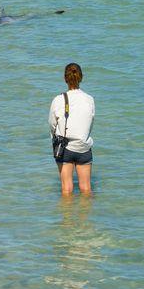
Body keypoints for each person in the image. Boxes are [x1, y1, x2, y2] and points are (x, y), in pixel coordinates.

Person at [49, 63, 95, 195]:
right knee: (86, 189)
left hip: (65, 148)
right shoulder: (89, 99)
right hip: (84, 147)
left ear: (65, 79)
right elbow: (91, 122)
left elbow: (52, 124)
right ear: (81, 77)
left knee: (67, 189)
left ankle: (68, 215)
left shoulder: (58, 100)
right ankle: (87, 214)